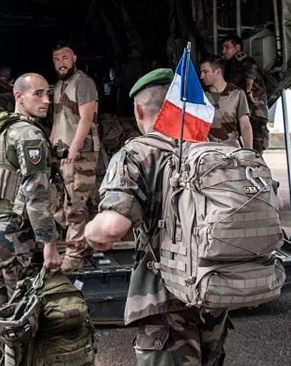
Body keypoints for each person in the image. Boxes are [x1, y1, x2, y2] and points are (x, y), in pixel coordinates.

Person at [84, 68, 230, 366]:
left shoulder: (136, 154)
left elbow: (112, 227)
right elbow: (274, 202)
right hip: (213, 291)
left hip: (166, 298)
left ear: (139, 110)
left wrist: (89, 233)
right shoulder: (213, 149)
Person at [0, 73, 62, 366]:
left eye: (47, 94)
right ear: (19, 96)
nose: (46, 100)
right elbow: (37, 194)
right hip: (15, 241)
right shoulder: (28, 134)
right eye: (38, 94)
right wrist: (49, 244)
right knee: (21, 322)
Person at [50, 42, 101, 273]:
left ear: (75, 58)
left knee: (75, 207)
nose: (61, 62)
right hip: (62, 153)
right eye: (57, 59)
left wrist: (74, 149)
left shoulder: (83, 83)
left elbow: (86, 118)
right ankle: (86, 245)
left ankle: (73, 257)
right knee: (62, 205)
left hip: (79, 154)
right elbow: (58, 119)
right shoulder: (60, 85)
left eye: (65, 57)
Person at [221, 34, 270, 152]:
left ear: (237, 47)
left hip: (254, 110)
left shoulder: (243, 59)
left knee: (256, 145)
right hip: (243, 112)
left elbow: (250, 69)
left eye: (227, 47)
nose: (224, 51)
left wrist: (248, 91)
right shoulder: (230, 65)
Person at [199, 55, 253, 148]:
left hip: (231, 149)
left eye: (205, 72)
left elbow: (245, 125)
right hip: (207, 151)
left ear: (217, 72)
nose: (201, 76)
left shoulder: (237, 94)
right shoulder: (200, 96)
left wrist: (249, 152)